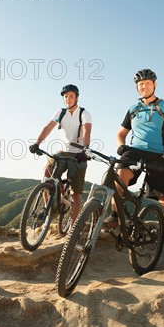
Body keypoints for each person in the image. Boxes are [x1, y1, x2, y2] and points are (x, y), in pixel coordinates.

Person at [110, 69, 164, 277]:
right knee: (118, 177)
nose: (144, 87)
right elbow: (120, 133)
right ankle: (116, 216)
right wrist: (121, 146)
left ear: (155, 85)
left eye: (147, 83)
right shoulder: (133, 109)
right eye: (140, 84)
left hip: (160, 155)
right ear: (137, 87)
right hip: (134, 152)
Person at [29, 84, 92, 223]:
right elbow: (47, 128)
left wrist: (86, 149)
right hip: (62, 152)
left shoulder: (84, 113)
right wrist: (37, 143)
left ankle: (73, 229)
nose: (68, 99)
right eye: (65, 97)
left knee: (76, 194)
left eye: (71, 96)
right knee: (46, 177)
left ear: (77, 98)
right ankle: (49, 209)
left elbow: (86, 131)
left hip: (78, 154)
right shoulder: (60, 113)